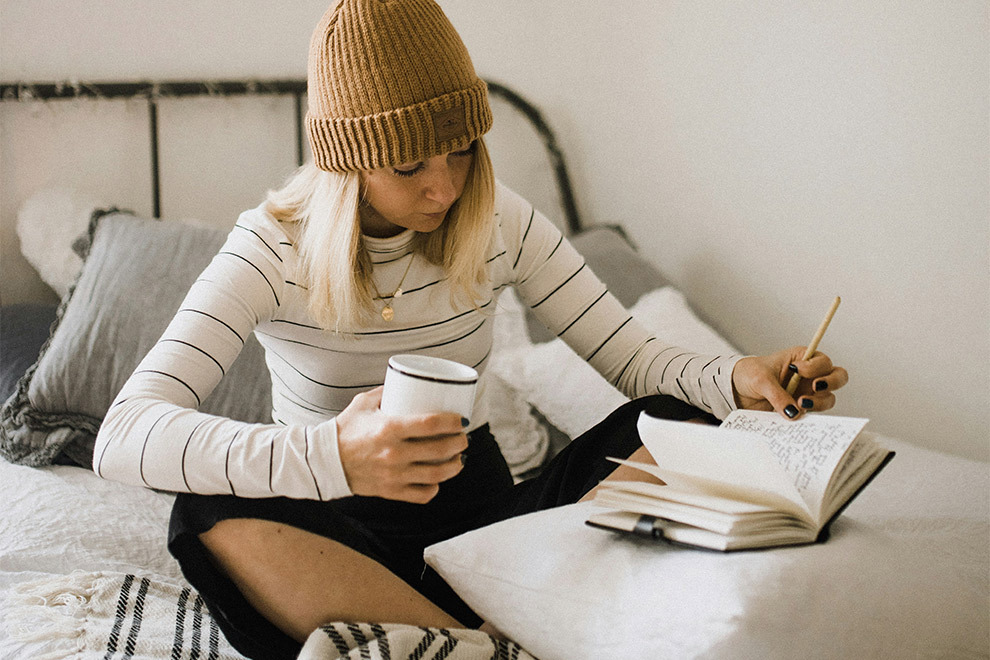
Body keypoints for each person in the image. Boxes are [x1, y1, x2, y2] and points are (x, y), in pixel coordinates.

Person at [92, 1, 848, 658]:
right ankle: (491, 640)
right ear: (348, 164)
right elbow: (122, 435)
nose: (444, 186)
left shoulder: (498, 221)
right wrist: (332, 457)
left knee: (680, 420)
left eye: (460, 149)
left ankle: (459, 634)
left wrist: (736, 378)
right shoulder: (270, 250)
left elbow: (637, 359)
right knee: (203, 512)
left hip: (492, 533)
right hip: (338, 545)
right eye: (409, 163)